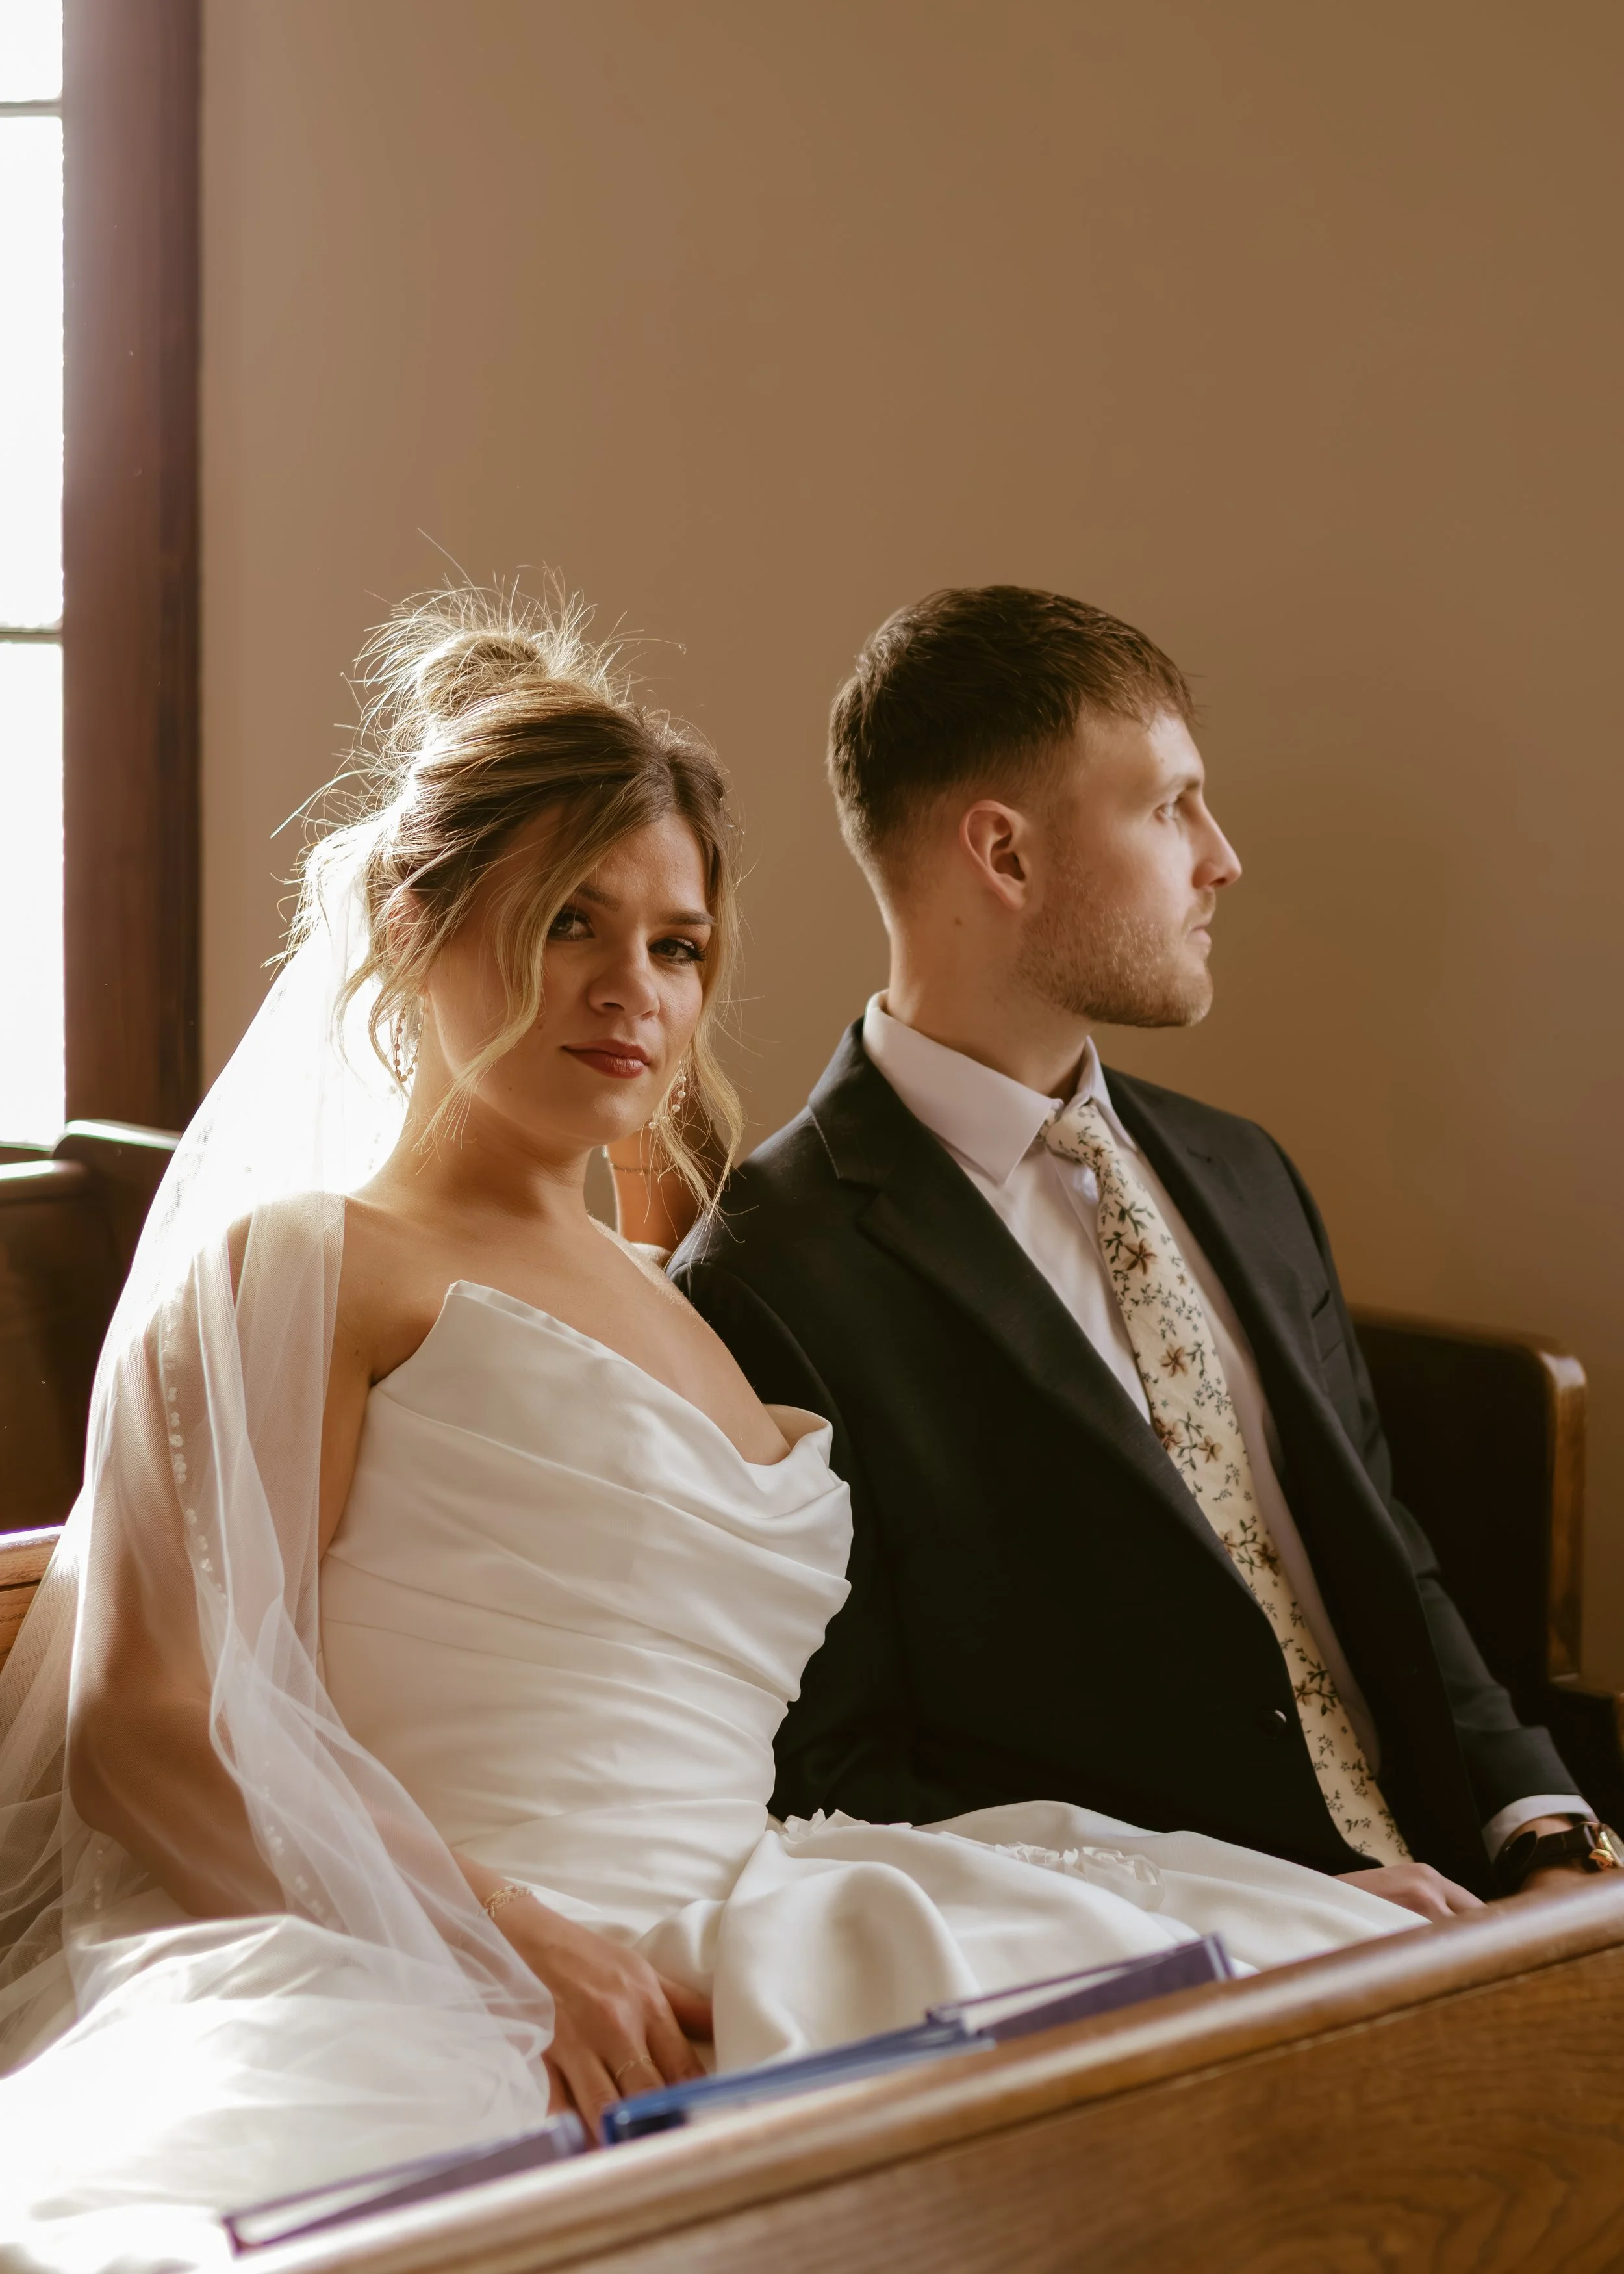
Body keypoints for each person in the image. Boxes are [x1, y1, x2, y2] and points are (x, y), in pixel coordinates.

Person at [0, 584, 1419, 2268]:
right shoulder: (310, 1264)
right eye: (566, 924)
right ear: (411, 926)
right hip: (429, 1963)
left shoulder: (678, 1291)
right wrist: (508, 1939)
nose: (633, 989)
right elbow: (150, 1728)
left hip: (752, 1915)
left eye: (675, 944)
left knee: (1317, 2034)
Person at [671, 584, 1604, 1918]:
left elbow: (1384, 1567)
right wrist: (1276, 1910)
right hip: (1177, 1981)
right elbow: (841, 1781)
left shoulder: (1241, 1169)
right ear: (1003, 856)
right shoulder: (764, 1278)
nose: (1219, 856)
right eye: (1167, 806)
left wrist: (1541, 1824)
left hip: (1482, 1905)